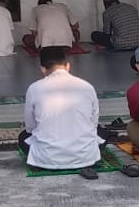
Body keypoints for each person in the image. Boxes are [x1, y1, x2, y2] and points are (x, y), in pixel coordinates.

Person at [23, 44, 102, 174]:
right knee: (101, 133)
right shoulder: (87, 86)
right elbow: (93, 123)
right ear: (68, 66)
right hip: (86, 157)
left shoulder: (34, 88)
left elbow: (30, 127)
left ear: (43, 69)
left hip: (46, 159)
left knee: (23, 138)